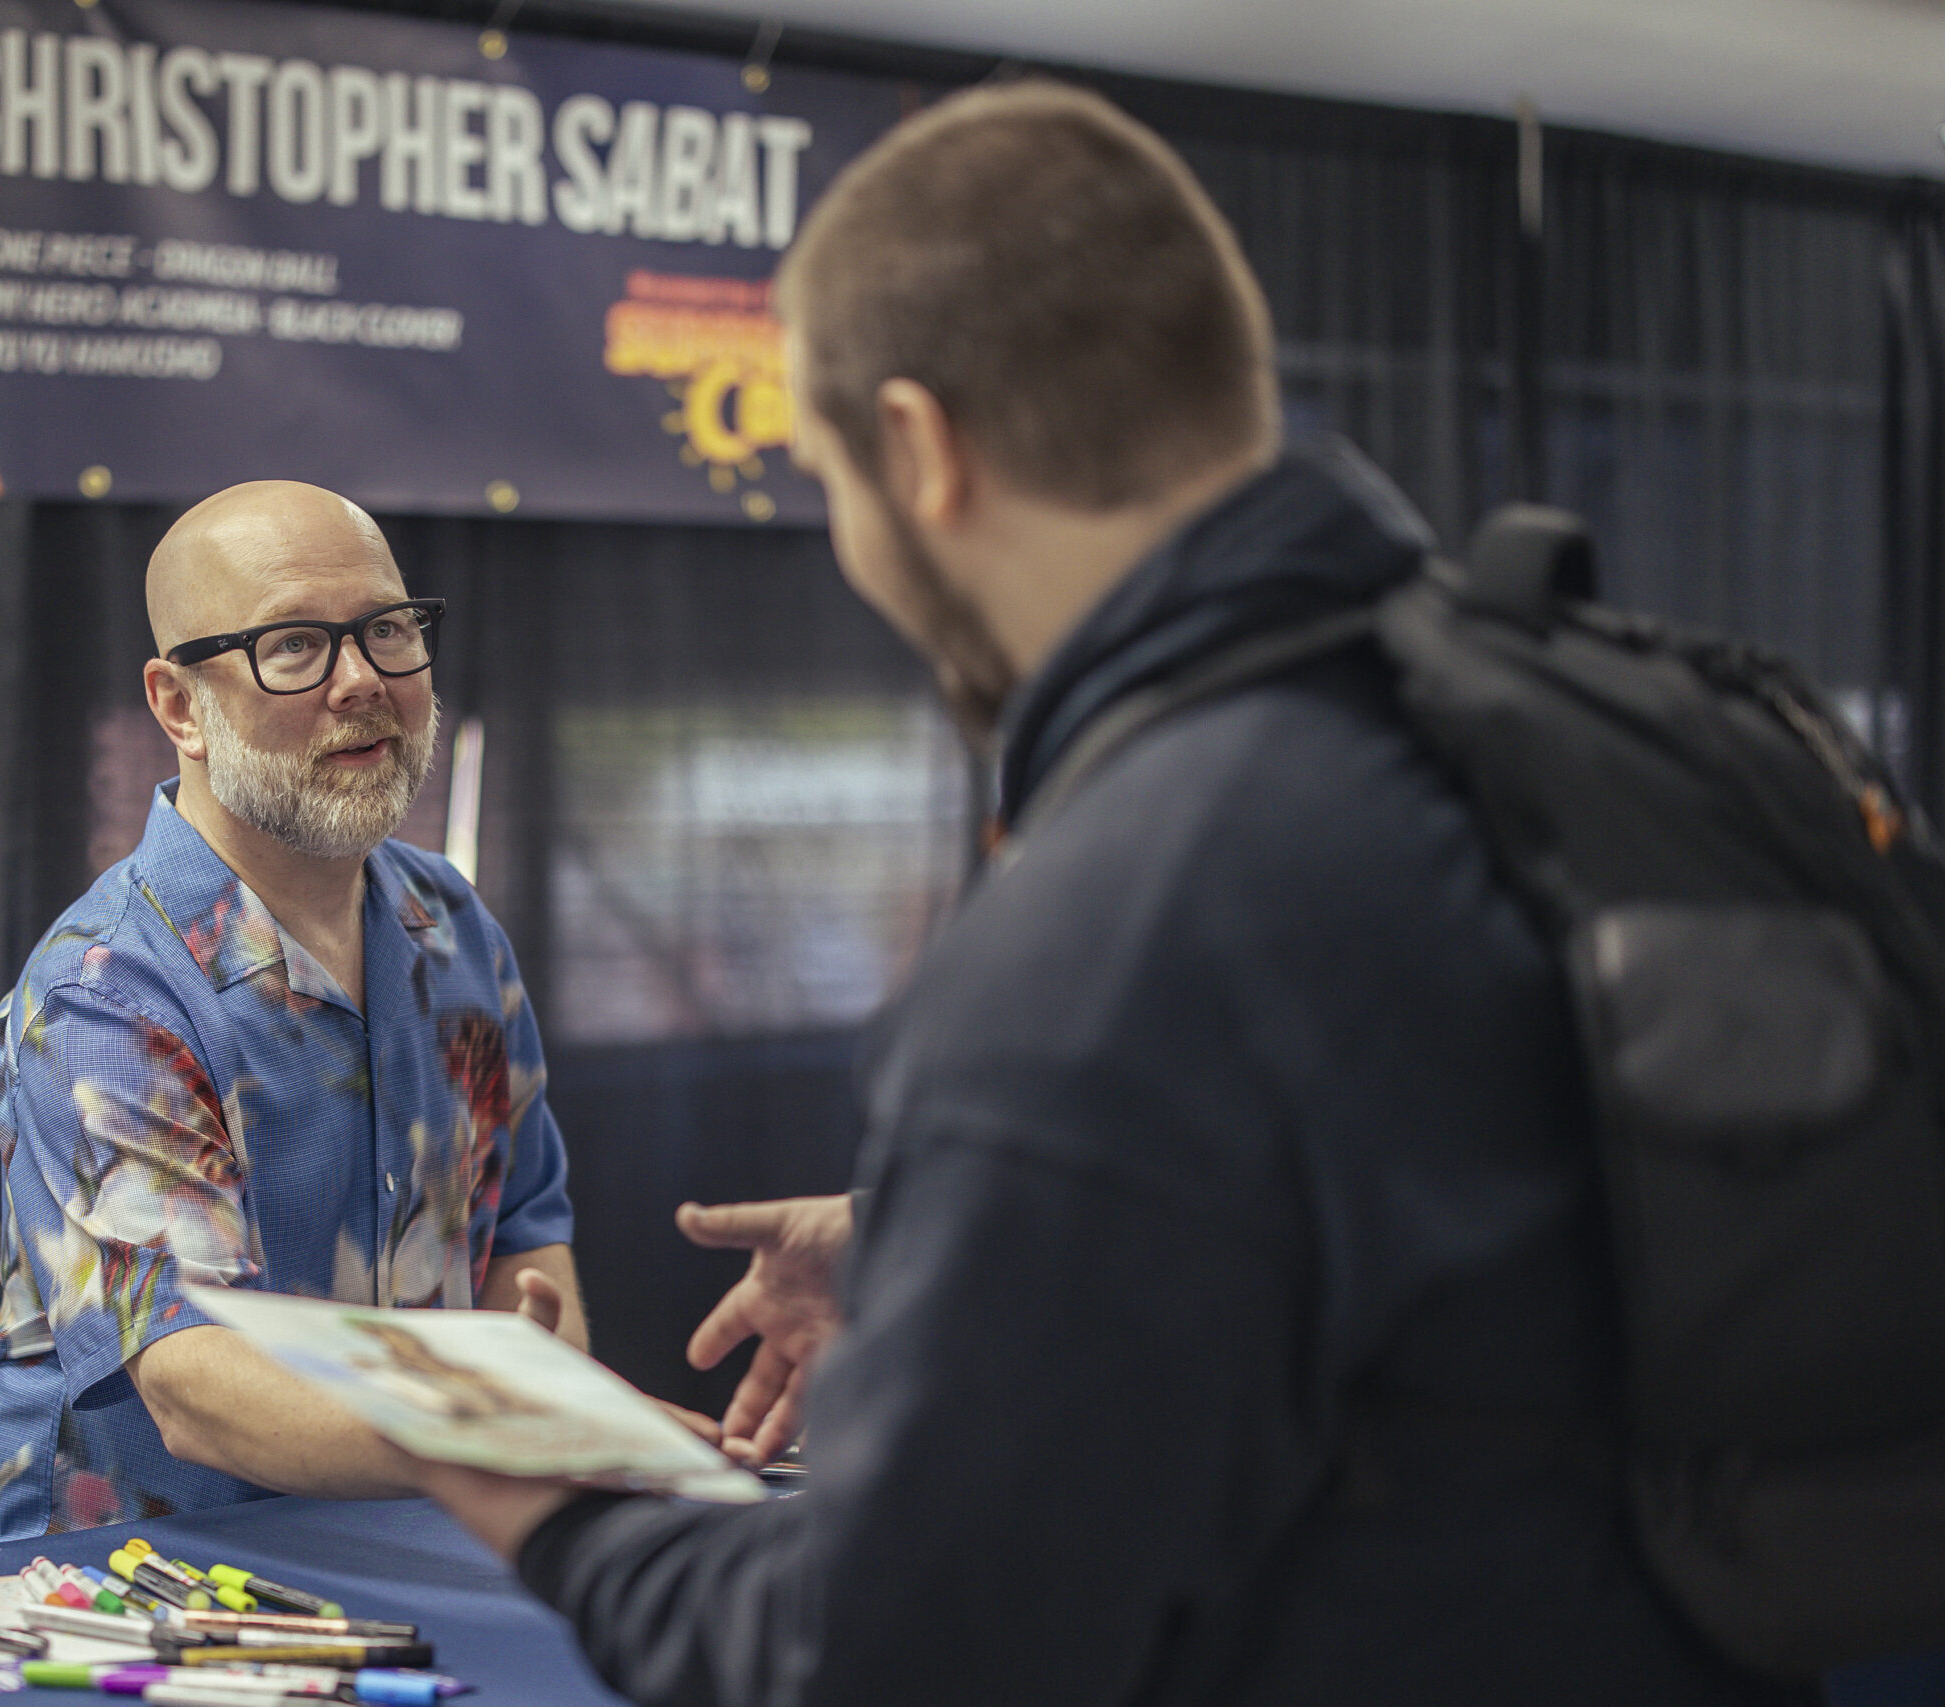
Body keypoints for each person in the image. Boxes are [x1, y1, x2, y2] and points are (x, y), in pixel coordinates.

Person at [412, 81, 1812, 1706]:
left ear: (920, 449)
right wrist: (945, 1231)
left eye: (828, 477)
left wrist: (553, 1497)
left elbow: (879, 1657)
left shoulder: (1123, 923)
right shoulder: (1539, 737)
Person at [0, 481, 587, 1542]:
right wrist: (539, 1442)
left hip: (420, 1533)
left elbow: (524, 1233)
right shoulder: (102, 994)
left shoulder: (453, 925)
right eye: (294, 646)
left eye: (387, 630)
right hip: (125, 1580)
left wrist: (563, 1462)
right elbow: (196, 1386)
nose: (361, 680)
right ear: (179, 706)